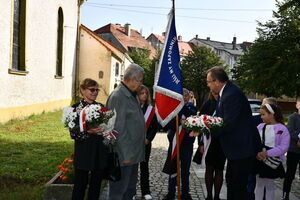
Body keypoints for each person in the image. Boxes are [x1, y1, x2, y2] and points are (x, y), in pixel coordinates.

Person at [205, 66, 261, 200]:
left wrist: (207, 129)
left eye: (209, 82)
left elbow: (228, 124)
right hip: (235, 150)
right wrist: (202, 125)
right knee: (231, 182)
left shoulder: (231, 94)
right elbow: (218, 119)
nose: (208, 85)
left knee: (237, 187)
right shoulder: (225, 93)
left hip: (242, 149)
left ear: (217, 82)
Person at [106, 63, 145, 200]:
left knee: (129, 190)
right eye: (140, 80)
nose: (141, 84)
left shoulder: (130, 94)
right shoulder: (118, 96)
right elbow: (117, 129)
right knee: (118, 192)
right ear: (133, 79)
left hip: (133, 154)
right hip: (124, 156)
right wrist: (126, 154)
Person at [71, 78, 109, 200]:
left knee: (96, 186)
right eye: (92, 89)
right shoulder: (75, 109)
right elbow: (73, 133)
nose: (95, 92)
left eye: (97, 90)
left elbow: (109, 128)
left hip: (99, 151)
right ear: (82, 90)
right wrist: (88, 131)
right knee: (79, 186)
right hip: (84, 152)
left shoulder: (102, 108)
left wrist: (106, 129)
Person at [162, 88, 197, 200]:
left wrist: (181, 109)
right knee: (173, 168)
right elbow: (170, 124)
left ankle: (185, 193)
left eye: (186, 95)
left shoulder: (191, 107)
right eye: (182, 95)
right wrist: (179, 113)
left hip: (187, 144)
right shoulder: (173, 109)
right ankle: (171, 193)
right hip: (175, 143)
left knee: (185, 171)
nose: (185, 96)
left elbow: (191, 117)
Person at [255, 104, 290, 200]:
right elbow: (255, 141)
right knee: (259, 184)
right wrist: (257, 153)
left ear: (272, 114)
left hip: (272, 161)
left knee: (269, 184)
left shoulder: (282, 129)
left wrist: (267, 153)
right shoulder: (260, 126)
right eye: (261, 114)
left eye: (263, 114)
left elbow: (283, 147)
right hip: (259, 159)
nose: (261, 117)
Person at [247, 97, 278, 200]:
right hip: (255, 156)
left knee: (267, 184)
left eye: (264, 106)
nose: (261, 108)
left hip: (269, 158)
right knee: (251, 183)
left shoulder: (278, 125)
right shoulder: (255, 120)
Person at [198, 91, 226, 200]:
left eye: (217, 92)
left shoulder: (225, 104)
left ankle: (217, 196)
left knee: (219, 169)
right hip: (208, 141)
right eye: (214, 92)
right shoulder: (207, 104)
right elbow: (200, 124)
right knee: (209, 169)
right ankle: (209, 196)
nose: (216, 94)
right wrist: (200, 143)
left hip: (221, 142)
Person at [137, 85, 159, 200]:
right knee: (132, 168)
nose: (144, 95)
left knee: (144, 167)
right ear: (137, 94)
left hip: (145, 143)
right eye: (142, 93)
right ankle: (131, 192)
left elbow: (154, 127)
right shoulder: (133, 107)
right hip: (133, 143)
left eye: (146, 93)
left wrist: (148, 139)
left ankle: (146, 192)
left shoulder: (151, 109)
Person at [282, 97, 300, 200]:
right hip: (293, 150)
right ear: (297, 105)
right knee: (290, 174)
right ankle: (286, 194)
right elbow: (290, 131)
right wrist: (298, 138)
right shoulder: (293, 117)